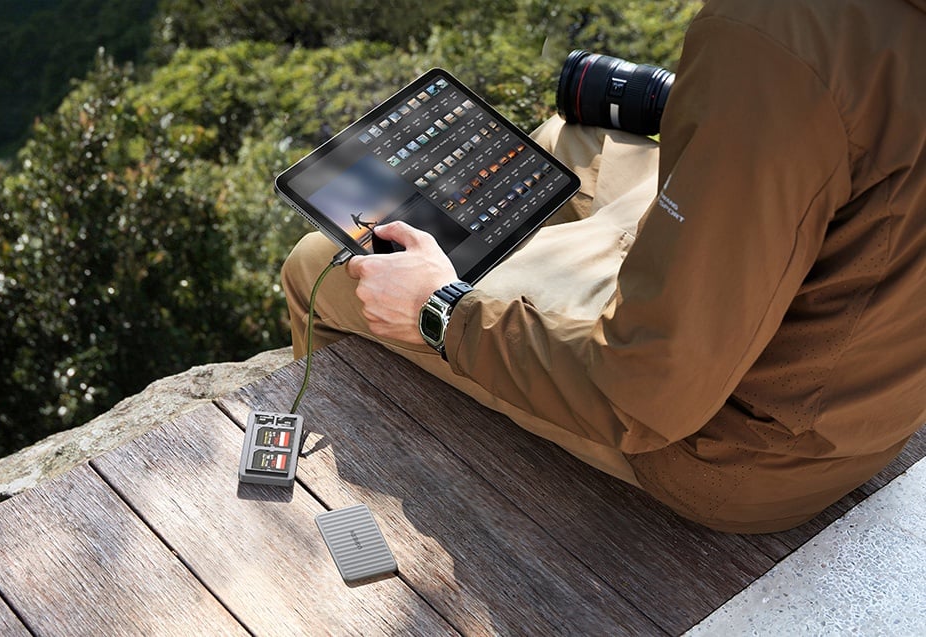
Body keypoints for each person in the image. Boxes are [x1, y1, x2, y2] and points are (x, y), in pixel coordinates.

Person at [281, 0, 926, 533]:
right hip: (856, 364)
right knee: (564, 141)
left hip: (743, 447)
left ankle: (346, 483)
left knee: (320, 266)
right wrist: (698, 111)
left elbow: (646, 394)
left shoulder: (777, 35)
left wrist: (440, 312)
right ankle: (503, 267)